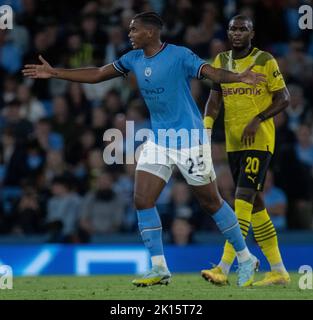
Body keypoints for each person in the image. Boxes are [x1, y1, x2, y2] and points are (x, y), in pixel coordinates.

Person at [23, 11, 266, 287]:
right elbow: (99, 73)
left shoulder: (178, 55)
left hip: (190, 138)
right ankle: (159, 268)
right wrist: (56, 73)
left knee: (211, 202)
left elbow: (210, 72)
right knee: (142, 199)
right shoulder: (132, 58)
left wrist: (238, 77)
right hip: (159, 139)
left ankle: (246, 258)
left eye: (134, 30)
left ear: (150, 33)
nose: (129, 34)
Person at [202, 15, 290, 286]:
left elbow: (284, 97)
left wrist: (258, 119)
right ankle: (278, 270)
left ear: (252, 33)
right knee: (255, 206)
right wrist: (206, 130)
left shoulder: (265, 60)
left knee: (241, 198)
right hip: (233, 142)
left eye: (243, 29)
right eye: (233, 28)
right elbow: (214, 101)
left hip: (259, 141)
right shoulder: (221, 61)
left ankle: (225, 266)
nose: (237, 33)